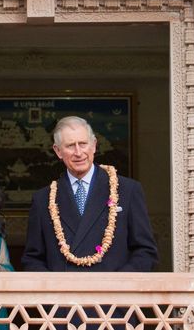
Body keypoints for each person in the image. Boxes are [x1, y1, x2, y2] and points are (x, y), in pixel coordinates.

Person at [22, 116, 157, 271]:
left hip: (113, 286)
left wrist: (119, 282)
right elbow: (32, 259)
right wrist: (54, 285)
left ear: (94, 145)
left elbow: (145, 252)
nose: (78, 152)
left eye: (83, 144)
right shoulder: (42, 199)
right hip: (63, 286)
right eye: (70, 146)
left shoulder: (128, 190)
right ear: (58, 151)